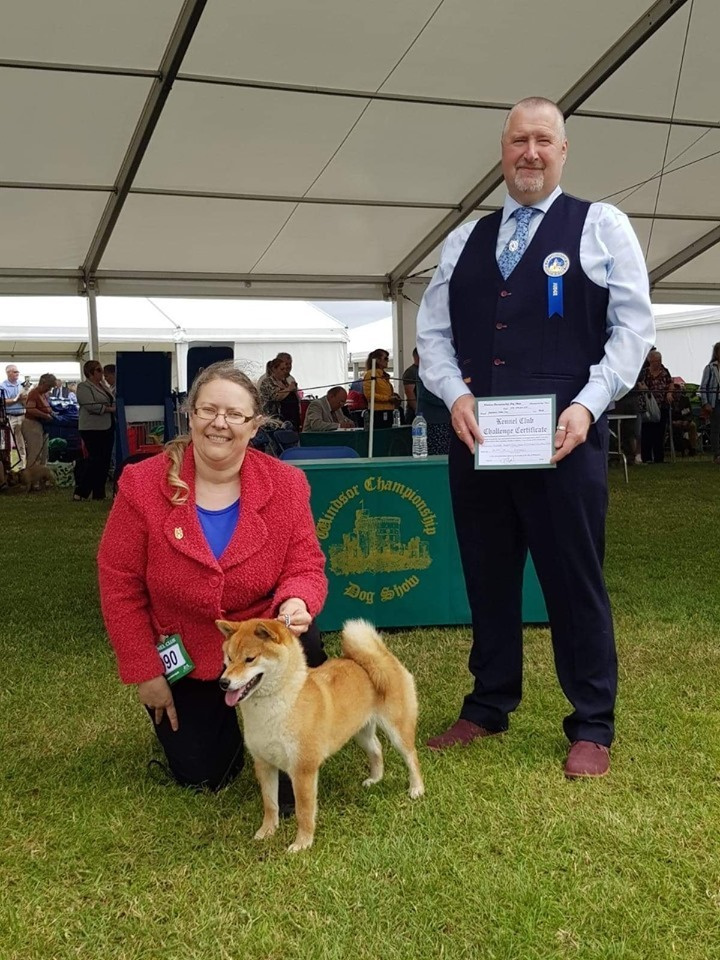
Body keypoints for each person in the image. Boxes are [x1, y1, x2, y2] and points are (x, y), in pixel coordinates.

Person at [416, 97, 655, 778]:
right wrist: (454, 393)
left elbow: (633, 331)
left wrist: (586, 406)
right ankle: (488, 703)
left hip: (565, 440)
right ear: (502, 149)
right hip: (479, 435)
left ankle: (592, 722)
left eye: (543, 141)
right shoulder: (464, 239)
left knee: (573, 581)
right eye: (519, 140)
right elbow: (431, 334)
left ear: (563, 150)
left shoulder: (601, 225)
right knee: (487, 577)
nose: (530, 153)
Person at [97, 361, 328, 793]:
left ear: (255, 424)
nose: (219, 423)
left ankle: (292, 725)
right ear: (190, 414)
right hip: (184, 648)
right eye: (208, 410)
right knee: (205, 776)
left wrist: (297, 600)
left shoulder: (288, 484)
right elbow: (119, 583)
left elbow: (305, 565)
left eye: (235, 414)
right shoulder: (141, 483)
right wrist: (145, 670)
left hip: (258, 639)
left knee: (304, 641)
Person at [74, 360, 116, 501]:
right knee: (95, 460)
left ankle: (99, 492)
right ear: (90, 372)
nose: (102, 373)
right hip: (91, 428)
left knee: (104, 461)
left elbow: (111, 400)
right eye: (98, 370)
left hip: (107, 426)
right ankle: (81, 491)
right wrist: (109, 409)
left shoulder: (103, 386)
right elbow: (90, 405)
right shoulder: (83, 387)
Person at [640, 349, 673, 464]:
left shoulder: (665, 372)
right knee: (647, 432)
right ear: (649, 361)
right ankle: (647, 457)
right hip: (648, 406)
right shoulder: (645, 372)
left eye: (659, 361)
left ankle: (659, 458)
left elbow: (670, 383)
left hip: (662, 405)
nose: (657, 363)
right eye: (654, 361)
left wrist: (669, 392)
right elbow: (640, 384)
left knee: (660, 432)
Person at [22, 373, 57, 473]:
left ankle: (41, 476)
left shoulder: (43, 394)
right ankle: (30, 478)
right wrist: (45, 415)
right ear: (43, 383)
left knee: (44, 453)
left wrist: (52, 413)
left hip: (42, 426)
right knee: (35, 453)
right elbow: (30, 409)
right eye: (48, 387)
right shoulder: (34, 393)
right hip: (32, 425)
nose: (49, 389)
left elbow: (47, 408)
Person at [362, 349, 402, 428]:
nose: (388, 361)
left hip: (389, 410)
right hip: (378, 412)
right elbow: (369, 395)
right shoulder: (371, 374)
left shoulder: (384, 376)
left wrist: (394, 397)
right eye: (386, 358)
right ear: (377, 360)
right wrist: (388, 398)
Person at [416, 372, 452, 455]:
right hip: (434, 421)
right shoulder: (427, 369)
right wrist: (451, 401)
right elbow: (425, 394)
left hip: (445, 420)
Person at [1, 364, 27, 469]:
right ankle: (8, 466)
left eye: (17, 372)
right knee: (6, 443)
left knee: (21, 441)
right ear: (8, 373)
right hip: (9, 417)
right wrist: (16, 399)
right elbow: (3, 402)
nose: (17, 374)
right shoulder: (2, 386)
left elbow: (25, 400)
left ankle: (23, 465)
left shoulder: (22, 385)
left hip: (22, 416)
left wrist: (25, 398)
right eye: (15, 372)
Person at [699, 341, 720, 463]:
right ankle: (717, 454)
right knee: (716, 429)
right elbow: (703, 386)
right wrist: (706, 403)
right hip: (715, 402)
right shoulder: (710, 368)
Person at [669, 383, 697, 457]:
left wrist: (687, 421)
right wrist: (673, 422)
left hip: (684, 420)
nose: (677, 394)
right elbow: (666, 414)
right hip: (672, 422)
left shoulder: (685, 399)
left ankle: (693, 448)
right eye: (675, 392)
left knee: (693, 425)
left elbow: (690, 413)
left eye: (679, 392)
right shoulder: (669, 399)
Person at [402, 348, 420, 419]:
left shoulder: (426, 371)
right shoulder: (410, 372)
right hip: (415, 413)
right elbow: (409, 393)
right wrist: (417, 411)